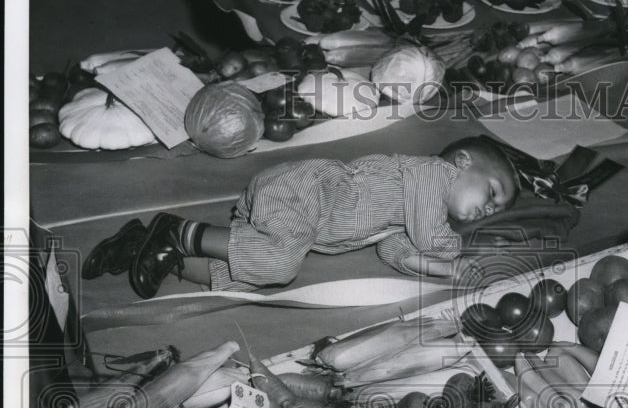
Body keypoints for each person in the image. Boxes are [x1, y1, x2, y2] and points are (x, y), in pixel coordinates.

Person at [82, 136, 520, 299]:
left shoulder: (409, 212)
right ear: (462, 162)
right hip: (304, 191)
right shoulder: (431, 175)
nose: (488, 210)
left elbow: (398, 253)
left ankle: (145, 247)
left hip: (295, 220)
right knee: (281, 265)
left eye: (494, 210)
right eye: (492, 193)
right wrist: (458, 253)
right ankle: (175, 231)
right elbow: (430, 237)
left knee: (245, 276)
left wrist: (445, 272)